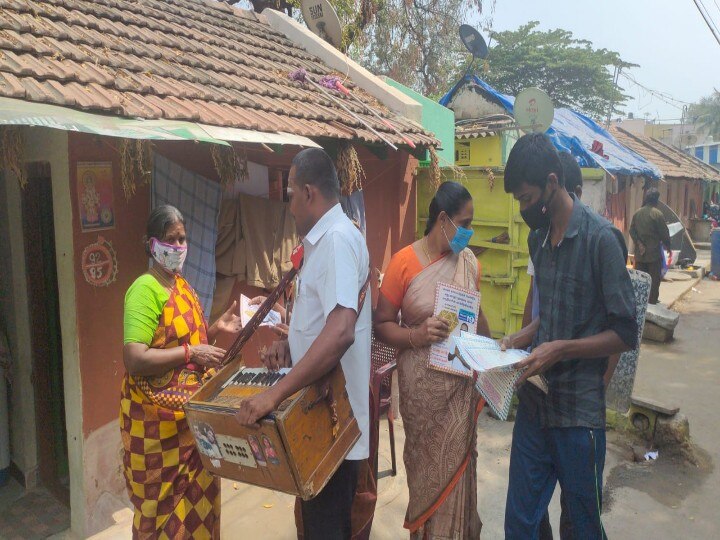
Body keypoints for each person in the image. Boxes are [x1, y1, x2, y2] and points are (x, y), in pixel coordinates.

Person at [501, 134, 637, 540]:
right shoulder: (537, 239)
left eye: (526, 199)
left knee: (581, 526)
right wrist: (515, 340)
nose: (524, 209)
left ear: (552, 182)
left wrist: (562, 350)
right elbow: (550, 320)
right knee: (520, 524)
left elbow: (625, 331)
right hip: (535, 407)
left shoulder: (601, 240)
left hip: (579, 415)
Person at [235, 148, 371, 540]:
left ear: (309, 193)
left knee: (325, 529)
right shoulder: (326, 241)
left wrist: (272, 395)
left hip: (332, 423)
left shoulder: (336, 240)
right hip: (316, 417)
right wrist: (292, 346)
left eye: (290, 193)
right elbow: (325, 322)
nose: (288, 205)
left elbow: (342, 329)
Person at [374, 181, 491, 539]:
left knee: (459, 473)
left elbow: (477, 317)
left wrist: (496, 353)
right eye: (465, 223)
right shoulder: (404, 263)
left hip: (460, 392)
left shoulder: (469, 262)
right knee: (428, 478)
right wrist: (416, 336)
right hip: (422, 398)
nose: (469, 232)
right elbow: (381, 325)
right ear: (443, 220)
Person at [121, 205, 243, 539]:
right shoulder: (145, 290)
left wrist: (216, 328)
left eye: (183, 239)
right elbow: (134, 357)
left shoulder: (181, 286)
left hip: (193, 428)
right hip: (158, 433)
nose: (178, 247)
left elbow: (190, 347)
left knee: (197, 514)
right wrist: (193, 351)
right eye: (171, 240)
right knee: (163, 520)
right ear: (152, 244)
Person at [629, 188, 671, 304]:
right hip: (653, 255)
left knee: (640, 280)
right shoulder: (657, 214)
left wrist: (639, 243)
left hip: (640, 255)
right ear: (656, 200)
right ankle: (652, 302)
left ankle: (639, 303)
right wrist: (668, 247)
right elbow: (664, 234)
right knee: (654, 280)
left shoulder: (637, 213)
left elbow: (631, 230)